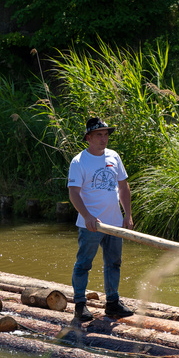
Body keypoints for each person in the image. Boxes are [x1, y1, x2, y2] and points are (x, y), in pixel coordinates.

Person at [67, 117, 135, 321]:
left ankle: (112, 303)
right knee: (84, 264)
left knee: (114, 263)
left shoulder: (114, 156)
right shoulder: (79, 161)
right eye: (99, 135)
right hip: (91, 225)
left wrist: (128, 215)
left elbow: (123, 187)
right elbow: (74, 193)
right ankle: (80, 304)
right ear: (88, 137)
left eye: (106, 135)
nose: (104, 139)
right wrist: (87, 216)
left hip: (114, 222)